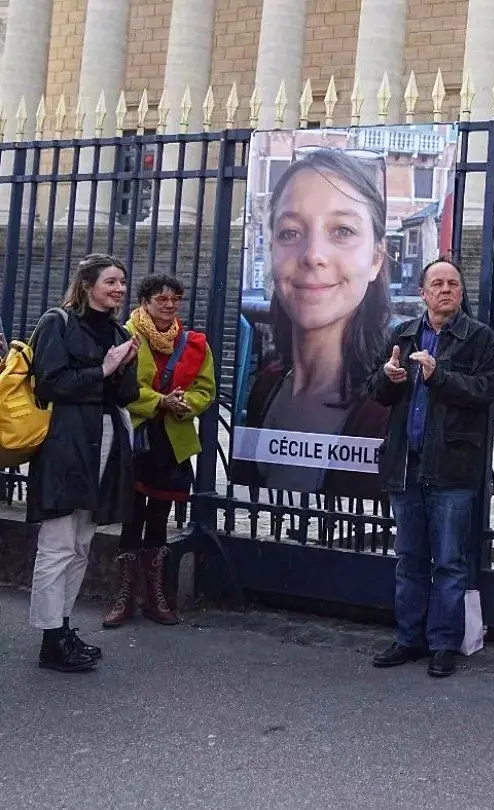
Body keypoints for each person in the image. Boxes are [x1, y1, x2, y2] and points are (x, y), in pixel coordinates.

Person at [367, 259, 494, 678]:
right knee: (408, 558)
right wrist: (389, 378)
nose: (446, 290)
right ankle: (409, 638)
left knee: (448, 562)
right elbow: (377, 392)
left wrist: (438, 375)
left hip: (452, 467)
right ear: (423, 293)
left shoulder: (480, 339)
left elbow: (485, 391)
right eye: (437, 283)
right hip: (405, 465)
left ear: (461, 293)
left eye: (453, 284)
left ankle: (443, 643)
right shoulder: (403, 334)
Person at [233, 147, 392, 497]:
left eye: (342, 231)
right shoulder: (266, 385)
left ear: (376, 259)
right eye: (290, 232)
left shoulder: (392, 403)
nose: (313, 255)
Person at [26, 253, 141, 672]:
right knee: (57, 544)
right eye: (111, 281)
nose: (119, 289)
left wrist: (127, 365)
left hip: (105, 442)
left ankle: (64, 626)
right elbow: (51, 383)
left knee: (81, 544)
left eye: (123, 282)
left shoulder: (115, 329)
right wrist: (103, 368)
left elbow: (124, 395)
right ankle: (50, 638)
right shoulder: (57, 322)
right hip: (66, 442)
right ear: (88, 284)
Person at [103, 274, 216, 629]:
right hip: (136, 438)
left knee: (159, 518)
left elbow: (205, 388)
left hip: (172, 441)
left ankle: (155, 596)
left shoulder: (195, 343)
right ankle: (124, 596)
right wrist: (159, 400)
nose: (169, 305)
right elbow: (120, 385)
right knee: (132, 516)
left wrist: (187, 404)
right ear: (145, 302)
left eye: (175, 299)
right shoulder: (125, 336)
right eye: (161, 299)